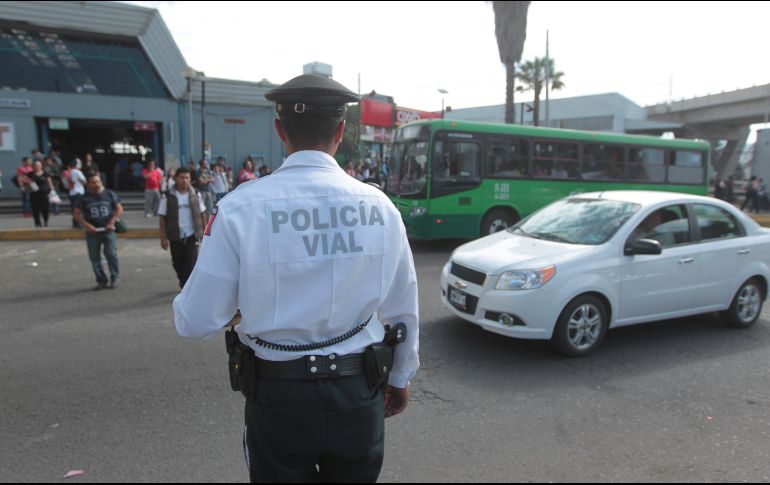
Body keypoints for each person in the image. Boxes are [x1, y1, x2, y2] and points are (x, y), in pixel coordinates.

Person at [173, 74, 419, 483]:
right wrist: (401, 377)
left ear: (279, 130)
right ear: (341, 131)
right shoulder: (381, 207)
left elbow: (194, 321)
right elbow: (403, 307)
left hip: (278, 397)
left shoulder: (238, 208)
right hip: (359, 392)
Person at [73, 172, 124, 290]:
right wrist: (87, 226)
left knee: (111, 254)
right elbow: (76, 214)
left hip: (108, 230)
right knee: (95, 258)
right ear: (88, 184)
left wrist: (112, 222)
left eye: (98, 181)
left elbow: (119, 209)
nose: (96, 184)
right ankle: (101, 280)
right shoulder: (83, 198)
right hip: (93, 232)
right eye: (93, 182)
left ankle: (115, 277)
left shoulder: (109, 194)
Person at [159, 167, 207, 289]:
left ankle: (187, 288)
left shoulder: (195, 194)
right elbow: (162, 217)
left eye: (187, 178)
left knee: (191, 265)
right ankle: (183, 282)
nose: (184, 180)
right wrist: (163, 238)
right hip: (175, 236)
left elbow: (202, 214)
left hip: (191, 235)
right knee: (177, 264)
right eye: (182, 177)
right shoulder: (168, 196)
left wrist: (205, 233)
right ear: (176, 179)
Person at [23, 160, 54, 227]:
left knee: (45, 209)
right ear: (34, 166)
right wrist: (28, 182)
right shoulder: (31, 174)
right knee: (35, 209)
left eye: (39, 165)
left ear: (41, 166)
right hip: (34, 194)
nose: (37, 167)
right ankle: (37, 223)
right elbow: (24, 179)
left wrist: (52, 190)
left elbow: (50, 183)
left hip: (44, 194)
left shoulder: (46, 174)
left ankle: (46, 221)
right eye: (36, 165)